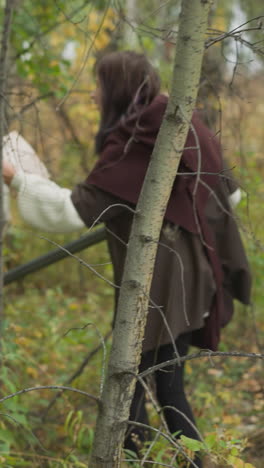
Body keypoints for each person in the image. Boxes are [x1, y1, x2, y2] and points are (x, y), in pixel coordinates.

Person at [3, 51, 251, 467]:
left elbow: (73, 211)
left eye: (99, 85)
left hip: (162, 286)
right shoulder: (180, 128)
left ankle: (164, 461)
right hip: (191, 279)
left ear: (118, 90)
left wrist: (16, 178)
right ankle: (176, 461)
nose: (94, 95)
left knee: (131, 387)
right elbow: (232, 195)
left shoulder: (141, 142)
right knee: (154, 387)